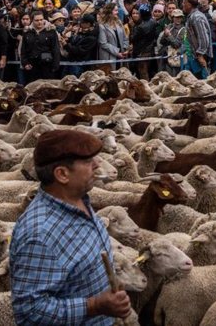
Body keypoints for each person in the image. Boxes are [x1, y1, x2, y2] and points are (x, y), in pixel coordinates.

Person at [10, 129, 129, 325]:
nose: (98, 164)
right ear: (62, 174)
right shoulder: (40, 233)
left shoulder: (79, 200)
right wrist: (95, 305)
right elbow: (29, 311)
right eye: (87, 161)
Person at [20, 12, 62, 81]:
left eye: (41, 20)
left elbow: (56, 49)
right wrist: (25, 63)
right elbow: (23, 50)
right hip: (32, 66)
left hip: (47, 66)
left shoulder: (51, 31)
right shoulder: (27, 32)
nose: (39, 22)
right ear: (32, 20)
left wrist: (55, 65)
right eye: (37, 20)